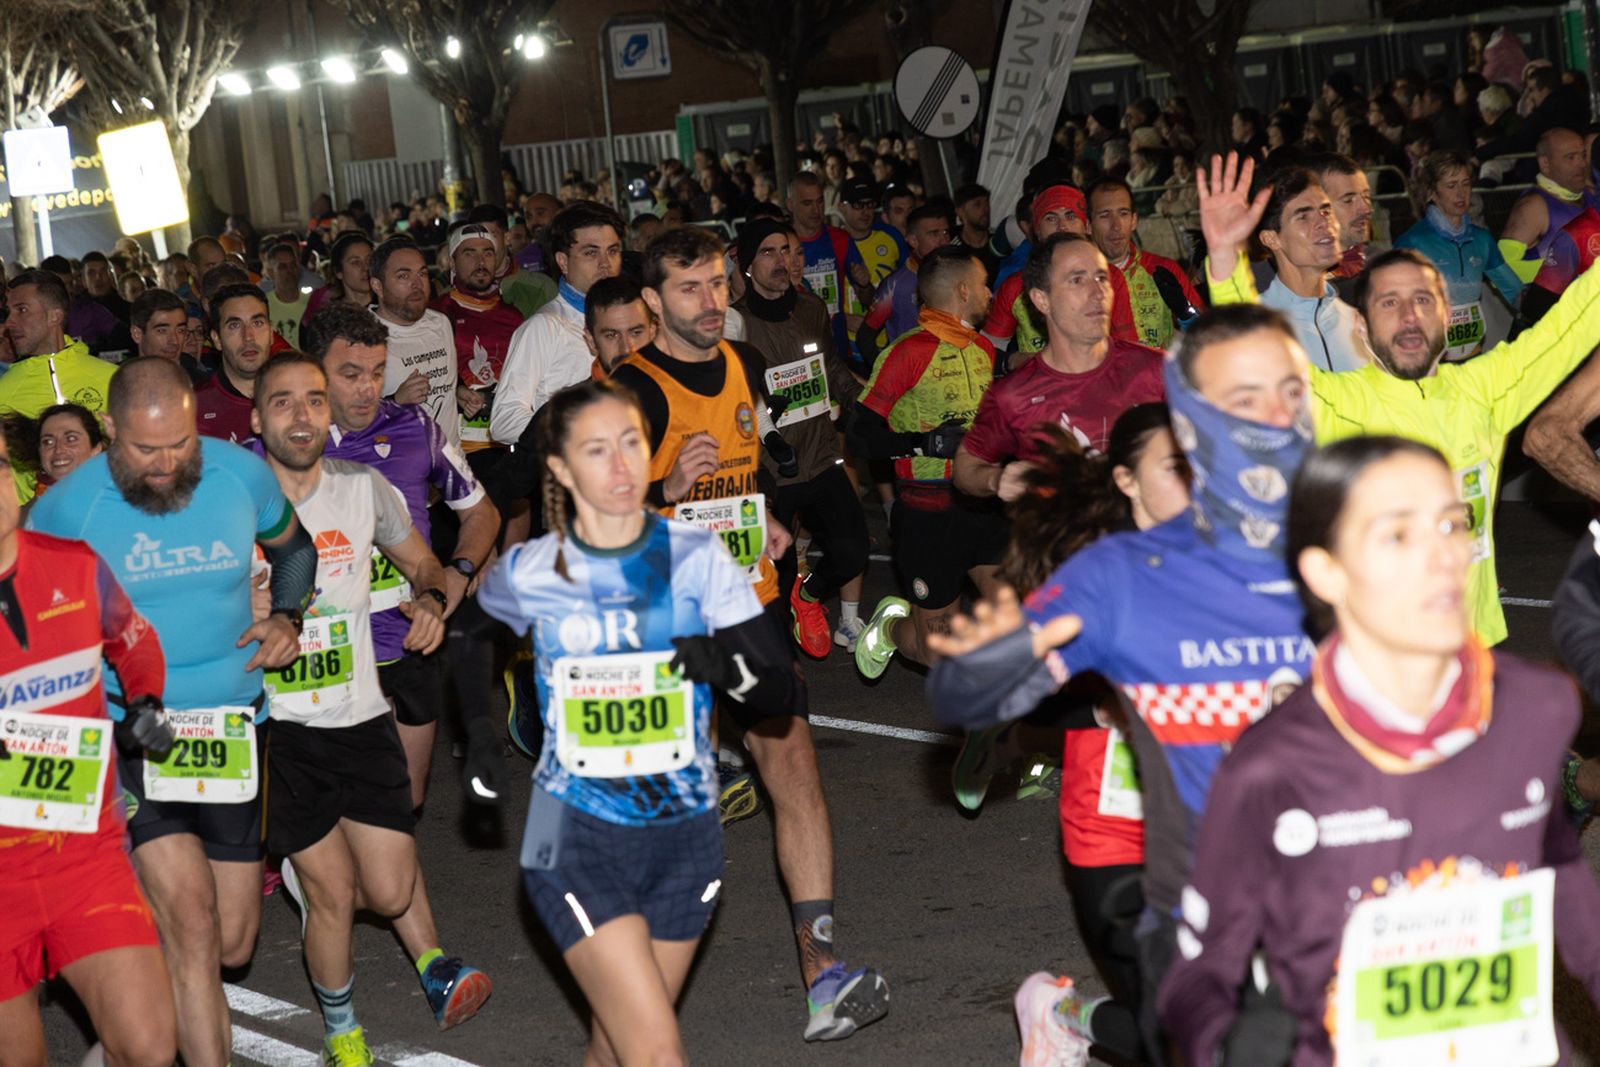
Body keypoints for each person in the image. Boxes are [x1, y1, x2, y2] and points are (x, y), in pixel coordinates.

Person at [925, 303, 1317, 1065]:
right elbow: (965, 695)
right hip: (1173, 875)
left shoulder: (1327, 540)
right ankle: (1067, 1014)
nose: (1272, 417)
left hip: (1331, 878)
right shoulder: (1112, 575)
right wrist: (982, 670)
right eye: (1246, 400)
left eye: (1289, 394)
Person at [1161, 435, 1600, 1067]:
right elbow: (1198, 972)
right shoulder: (1271, 766)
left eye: (1453, 523)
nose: (1444, 556)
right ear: (1325, 572)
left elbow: (1561, 878)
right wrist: (1224, 1041)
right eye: (1398, 535)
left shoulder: (1537, 708)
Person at [611, 226, 890, 1041]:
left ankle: (824, 974)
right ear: (653, 302)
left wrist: (766, 517)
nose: (711, 301)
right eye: (690, 289)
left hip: (746, 602)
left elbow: (754, 460)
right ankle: (630, 986)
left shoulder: (745, 365)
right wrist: (662, 485)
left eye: (717, 284)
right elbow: (583, 512)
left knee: (793, 766)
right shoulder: (634, 390)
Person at [473, 378, 788, 1065]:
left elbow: (778, 687)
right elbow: (469, 637)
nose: (621, 467)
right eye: (597, 450)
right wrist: (478, 741)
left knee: (616, 1044)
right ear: (558, 468)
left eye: (631, 444)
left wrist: (716, 659)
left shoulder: (696, 558)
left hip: (686, 836)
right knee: (655, 1051)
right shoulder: (532, 569)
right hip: (572, 835)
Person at [28, 357, 316, 1067]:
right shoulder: (69, 506)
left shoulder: (239, 474)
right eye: (145, 450)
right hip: (132, 733)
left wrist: (287, 616)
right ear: (109, 433)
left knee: (232, 940)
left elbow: (296, 551)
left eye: (180, 444)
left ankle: (132, 1024)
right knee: (190, 921)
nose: (165, 465)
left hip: (234, 728)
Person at [1204, 150, 1600, 646]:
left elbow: (1569, 326)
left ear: (1444, 317)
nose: (1409, 316)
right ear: (1363, 329)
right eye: (1389, 303)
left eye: (1422, 300)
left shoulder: (1486, 388)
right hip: (1374, 661)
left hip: (1474, 655)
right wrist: (1224, 262)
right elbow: (1254, 361)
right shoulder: (1340, 403)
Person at [249, 351, 487, 1062]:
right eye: (284, 402)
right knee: (334, 892)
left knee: (387, 888)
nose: (302, 414)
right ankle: (342, 1030)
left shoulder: (362, 487)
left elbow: (420, 559)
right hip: (282, 732)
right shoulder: (230, 501)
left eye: (315, 401)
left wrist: (432, 598)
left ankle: (340, 894)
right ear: (258, 417)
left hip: (361, 716)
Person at [982, 406, 1190, 1063]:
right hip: (1116, 815)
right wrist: (1098, 707)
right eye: (1177, 466)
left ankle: (1069, 1017)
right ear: (1127, 480)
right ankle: (1063, 1012)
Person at [0, 428, 178, 1067]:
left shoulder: (75, 565)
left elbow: (134, 641)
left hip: (85, 857)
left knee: (150, 1046)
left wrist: (146, 701)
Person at [849, 246, 1000, 678]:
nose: (991, 293)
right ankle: (891, 630)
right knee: (939, 653)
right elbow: (861, 435)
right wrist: (924, 443)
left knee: (1023, 617)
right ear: (963, 290)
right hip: (927, 514)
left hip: (983, 505)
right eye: (985, 284)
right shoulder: (907, 353)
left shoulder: (984, 350)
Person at [733, 217, 870, 656]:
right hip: (772, 470)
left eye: (786, 250)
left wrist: (862, 403)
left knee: (852, 550)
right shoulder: (735, 324)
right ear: (748, 265)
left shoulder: (812, 309)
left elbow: (830, 367)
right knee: (775, 577)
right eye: (768, 252)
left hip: (822, 453)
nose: (781, 261)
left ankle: (807, 595)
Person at [955, 232, 1166, 503]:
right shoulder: (1014, 394)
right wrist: (996, 479)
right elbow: (965, 467)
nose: (1097, 292)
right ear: (1042, 300)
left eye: (1102, 278)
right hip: (1070, 541)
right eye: (1077, 280)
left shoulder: (1157, 369)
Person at [493, 202, 625, 445]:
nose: (605, 263)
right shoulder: (544, 327)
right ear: (563, 262)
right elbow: (504, 421)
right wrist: (578, 430)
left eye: (613, 251)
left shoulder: (634, 320)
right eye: (591, 253)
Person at [1235, 165, 1371, 373]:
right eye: (1303, 217)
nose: (1324, 223)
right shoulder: (1254, 327)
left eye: (1326, 211)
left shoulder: (1359, 319)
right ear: (1271, 238)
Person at [983, 184, 1137, 360]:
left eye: (1071, 216)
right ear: (1037, 231)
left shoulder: (1111, 278)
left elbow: (1128, 350)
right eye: (1051, 218)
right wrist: (1014, 361)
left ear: (1086, 226)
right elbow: (987, 351)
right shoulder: (1015, 286)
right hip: (1038, 386)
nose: (1062, 226)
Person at [1394, 150, 1523, 360]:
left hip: (1473, 353)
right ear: (1432, 192)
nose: (1461, 193)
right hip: (1429, 360)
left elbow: (1516, 292)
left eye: (1465, 184)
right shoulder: (1413, 242)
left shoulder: (1481, 239)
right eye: (1451, 185)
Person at [431, 222, 526, 459]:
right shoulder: (436, 314)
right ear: (452, 262)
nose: (480, 262)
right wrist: (455, 391)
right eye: (469, 253)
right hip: (456, 449)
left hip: (508, 444)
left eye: (488, 253)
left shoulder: (514, 317)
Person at [1086, 178, 1206, 349]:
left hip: (1162, 374)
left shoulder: (1164, 269)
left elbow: (1207, 334)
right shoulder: (1080, 280)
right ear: (1088, 225)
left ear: (1134, 220)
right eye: (1105, 215)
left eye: (1123, 213)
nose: (1116, 226)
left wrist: (1185, 312)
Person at [367, 236, 462, 448]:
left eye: (423, 273)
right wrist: (396, 402)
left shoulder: (440, 323)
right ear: (377, 286)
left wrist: (460, 391)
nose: (417, 284)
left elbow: (443, 387)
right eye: (403, 276)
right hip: (401, 472)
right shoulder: (361, 337)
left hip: (453, 468)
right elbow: (344, 422)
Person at [0, 269, 115, 421]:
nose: (9, 323)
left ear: (55, 316)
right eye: (9, 312)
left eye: (22, 310)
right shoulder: (4, 394)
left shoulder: (112, 379)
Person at [857, 202, 953, 367]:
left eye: (945, 232)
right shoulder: (895, 285)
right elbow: (865, 337)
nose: (943, 240)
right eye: (933, 233)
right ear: (913, 240)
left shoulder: (959, 274)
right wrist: (889, 374)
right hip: (914, 381)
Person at [1497, 127, 1594, 286]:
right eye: (1570, 157)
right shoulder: (1534, 206)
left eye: (1583, 155)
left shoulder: (1589, 195)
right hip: (1555, 308)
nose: (1582, 164)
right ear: (1545, 163)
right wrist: (1560, 268)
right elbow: (1500, 270)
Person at [196, 283, 273, 443]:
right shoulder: (194, 408)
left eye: (257, 323)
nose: (249, 336)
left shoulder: (299, 397)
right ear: (217, 339)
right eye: (234, 325)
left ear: (271, 333)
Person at [466, 202, 555, 317]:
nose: (483, 246)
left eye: (491, 236)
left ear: (507, 238)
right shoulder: (458, 294)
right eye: (475, 239)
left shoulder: (541, 288)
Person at [130, 288, 207, 385]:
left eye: (181, 331)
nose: (174, 341)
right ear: (137, 334)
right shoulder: (118, 382)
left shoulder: (202, 386)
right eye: (162, 331)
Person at [33, 402, 104, 495]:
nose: (58, 449)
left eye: (71, 439)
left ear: (96, 450)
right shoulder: (32, 508)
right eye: (48, 442)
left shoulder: (119, 502)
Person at [301, 232, 374, 323]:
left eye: (369, 260)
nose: (366, 268)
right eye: (355, 262)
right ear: (338, 272)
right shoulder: (328, 317)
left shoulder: (388, 309)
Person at [264, 242, 310, 349]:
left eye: (293, 265)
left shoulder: (311, 303)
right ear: (271, 272)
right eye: (282, 267)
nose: (290, 271)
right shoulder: (263, 306)